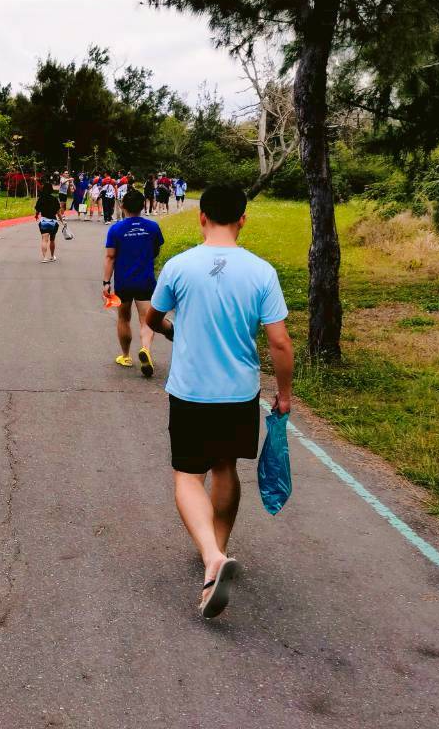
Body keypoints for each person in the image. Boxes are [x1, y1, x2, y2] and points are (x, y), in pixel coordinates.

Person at [143, 183, 294, 620]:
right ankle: (219, 548)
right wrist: (284, 395)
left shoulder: (179, 266)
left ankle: (211, 556)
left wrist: (170, 329)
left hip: (190, 391)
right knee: (225, 467)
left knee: (189, 475)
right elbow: (279, 342)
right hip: (239, 393)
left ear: (201, 217)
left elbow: (153, 317)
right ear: (243, 219)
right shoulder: (261, 272)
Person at [103, 188, 164, 376]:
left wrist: (106, 282)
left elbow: (110, 257)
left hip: (123, 282)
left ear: (122, 206)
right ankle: (145, 349)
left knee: (123, 318)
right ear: (143, 205)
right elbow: (156, 250)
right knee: (146, 319)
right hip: (145, 280)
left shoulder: (115, 229)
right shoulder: (152, 227)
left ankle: (126, 356)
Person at [34, 180, 64, 262]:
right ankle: (52, 256)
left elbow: (37, 210)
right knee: (52, 240)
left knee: (44, 239)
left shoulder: (41, 199)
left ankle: (44, 258)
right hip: (53, 221)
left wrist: (36, 215)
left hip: (44, 221)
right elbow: (58, 213)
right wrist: (62, 221)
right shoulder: (54, 199)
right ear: (51, 190)